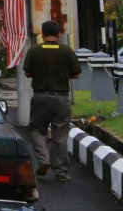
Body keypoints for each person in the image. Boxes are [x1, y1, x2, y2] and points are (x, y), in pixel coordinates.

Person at [22, 20, 81, 182]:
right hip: (61, 98)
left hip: (40, 96)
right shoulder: (66, 51)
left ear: (42, 33)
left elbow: (27, 73)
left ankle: (43, 160)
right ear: (58, 34)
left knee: (36, 129)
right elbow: (76, 74)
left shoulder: (35, 51)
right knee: (60, 135)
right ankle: (61, 172)